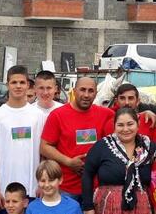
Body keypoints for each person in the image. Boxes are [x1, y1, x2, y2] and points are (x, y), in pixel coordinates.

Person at [40, 76, 115, 204]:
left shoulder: (106, 114)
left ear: (96, 93)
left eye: (91, 91)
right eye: (82, 90)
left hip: (95, 187)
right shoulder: (57, 115)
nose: (86, 95)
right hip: (66, 188)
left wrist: (150, 112)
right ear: (74, 91)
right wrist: (69, 162)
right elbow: (44, 147)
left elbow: (130, 115)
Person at [0, 65, 46, 206]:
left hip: (32, 189)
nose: (18, 86)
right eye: (14, 82)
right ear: (7, 85)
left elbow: (44, 153)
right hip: (6, 191)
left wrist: (42, 183)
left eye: (22, 82)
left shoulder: (39, 116)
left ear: (28, 85)